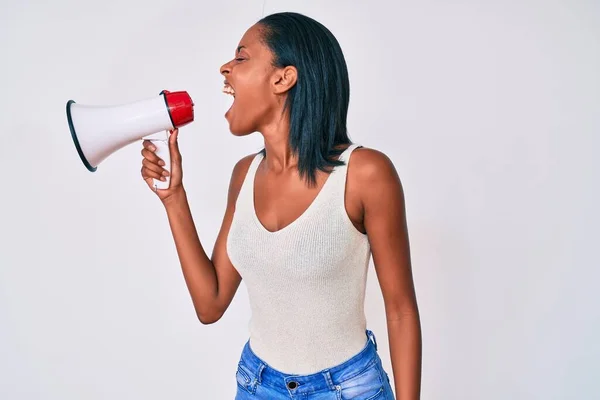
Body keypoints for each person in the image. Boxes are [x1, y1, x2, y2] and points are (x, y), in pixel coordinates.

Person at [140, 11, 421, 400]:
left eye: (241, 58)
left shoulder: (365, 173)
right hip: (257, 385)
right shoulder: (244, 175)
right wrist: (174, 197)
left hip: (348, 389)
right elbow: (211, 303)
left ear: (283, 78)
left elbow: (401, 311)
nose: (225, 68)